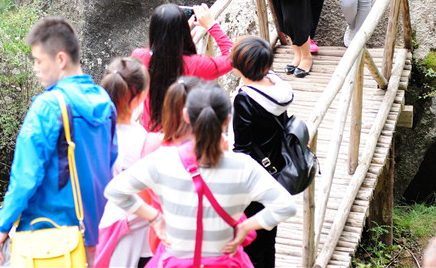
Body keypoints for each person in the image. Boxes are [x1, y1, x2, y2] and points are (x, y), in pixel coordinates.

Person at [104, 83, 297, 264]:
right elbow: (286, 206)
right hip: (223, 262)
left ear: (186, 116)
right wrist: (245, 227)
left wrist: (156, 218)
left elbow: (115, 191)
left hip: (175, 263)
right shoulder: (244, 167)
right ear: (227, 119)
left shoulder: (163, 159)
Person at [0, 17, 117, 267]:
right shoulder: (104, 101)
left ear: (60, 59)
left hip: (49, 238)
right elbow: (111, 164)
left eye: (38, 61)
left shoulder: (47, 106)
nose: (35, 68)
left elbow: (26, 176)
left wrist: (2, 228)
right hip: (95, 237)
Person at [230, 36, 295, 268]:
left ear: (238, 68)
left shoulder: (245, 100)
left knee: (252, 241)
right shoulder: (277, 87)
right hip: (276, 168)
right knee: (268, 234)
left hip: (253, 177)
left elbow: (242, 149)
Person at [131, 3, 233, 132]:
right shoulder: (196, 64)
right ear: (183, 33)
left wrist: (173, 41)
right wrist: (211, 25)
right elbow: (233, 58)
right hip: (184, 136)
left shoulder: (139, 56)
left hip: (152, 134)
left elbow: (160, 54)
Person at [96, 57, 152, 268]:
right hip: (130, 230)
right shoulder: (140, 138)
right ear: (142, 96)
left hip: (94, 224)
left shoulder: (90, 130)